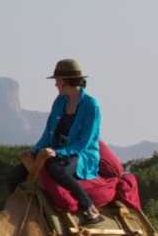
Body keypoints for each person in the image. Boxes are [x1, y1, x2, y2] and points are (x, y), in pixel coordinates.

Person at [28, 58, 104, 226]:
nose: (55, 85)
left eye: (56, 81)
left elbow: (83, 142)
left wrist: (57, 153)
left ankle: (88, 207)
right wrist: (35, 150)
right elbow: (49, 132)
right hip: (56, 151)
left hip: (81, 155)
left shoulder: (91, 106)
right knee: (18, 171)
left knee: (54, 168)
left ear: (63, 82)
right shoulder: (60, 101)